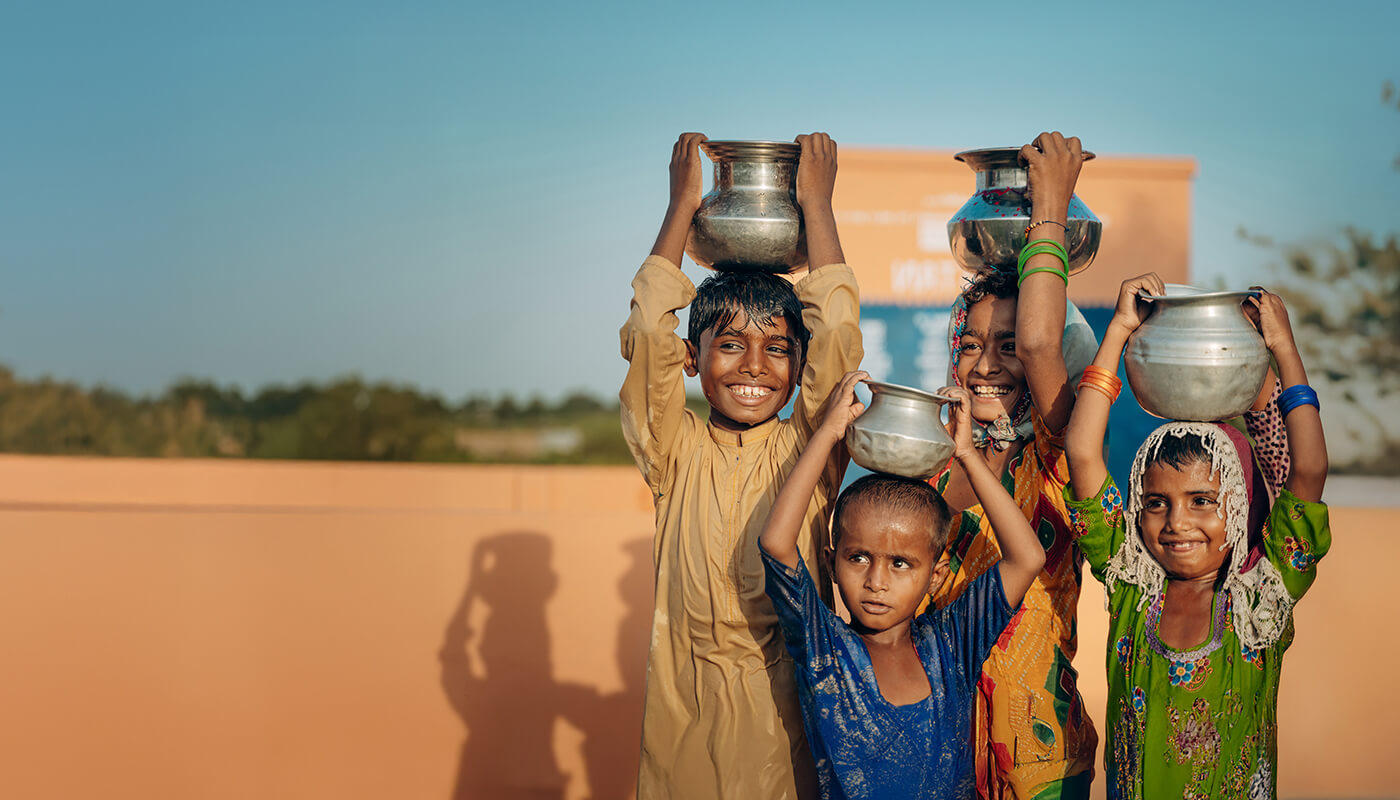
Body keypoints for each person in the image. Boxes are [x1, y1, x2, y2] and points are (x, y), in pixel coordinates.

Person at [620, 131, 863, 799]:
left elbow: (838, 338)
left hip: (787, 723)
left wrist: (816, 206)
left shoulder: (810, 449)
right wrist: (683, 205)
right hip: (683, 721)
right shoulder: (673, 450)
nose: (754, 366)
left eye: (777, 350)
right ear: (692, 359)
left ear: (799, 367)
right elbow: (647, 333)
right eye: (729, 344)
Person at [1063, 274, 1330, 799]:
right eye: (1156, 503)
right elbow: (1082, 454)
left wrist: (1282, 347)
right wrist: (1118, 329)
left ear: (1238, 507)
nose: (1176, 522)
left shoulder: (1262, 600)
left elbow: (1309, 470)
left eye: (1202, 502)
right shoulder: (1132, 586)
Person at [759, 370, 1045, 799]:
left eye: (900, 563)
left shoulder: (952, 646)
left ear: (936, 576)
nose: (876, 581)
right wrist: (829, 434)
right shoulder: (824, 647)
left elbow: (1028, 557)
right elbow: (776, 543)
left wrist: (966, 453)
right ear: (830, 564)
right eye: (858, 558)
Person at [925, 132, 1098, 798]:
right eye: (969, 346)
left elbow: (1039, 341)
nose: (988, 363)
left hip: (1041, 762)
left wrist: (1048, 208)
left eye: (1006, 347)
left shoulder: (1057, 453)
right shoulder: (930, 470)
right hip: (938, 751)